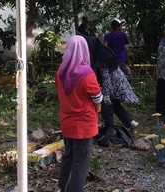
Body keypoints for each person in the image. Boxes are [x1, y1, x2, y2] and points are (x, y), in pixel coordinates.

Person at [55, 35, 103, 192]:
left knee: (68, 155)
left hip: (67, 121)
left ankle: (63, 187)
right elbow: (97, 97)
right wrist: (98, 106)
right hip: (84, 123)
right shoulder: (86, 73)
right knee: (81, 161)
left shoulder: (60, 72)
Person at [85, 36, 139, 145]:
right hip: (117, 81)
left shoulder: (101, 57)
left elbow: (106, 77)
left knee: (106, 109)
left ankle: (110, 132)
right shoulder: (104, 52)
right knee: (115, 105)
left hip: (113, 84)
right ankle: (131, 122)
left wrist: (106, 94)